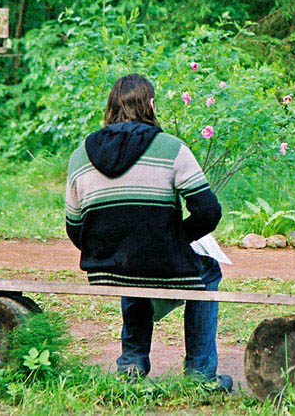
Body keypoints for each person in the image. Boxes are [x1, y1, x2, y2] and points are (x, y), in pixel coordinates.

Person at [64, 73, 231, 389]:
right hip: (160, 261)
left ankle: (132, 364)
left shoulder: (81, 154)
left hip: (107, 267)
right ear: (151, 105)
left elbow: (75, 227)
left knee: (133, 261)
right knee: (208, 272)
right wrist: (176, 239)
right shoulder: (170, 148)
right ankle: (201, 374)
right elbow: (209, 211)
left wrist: (108, 246)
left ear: (111, 107)